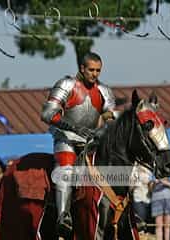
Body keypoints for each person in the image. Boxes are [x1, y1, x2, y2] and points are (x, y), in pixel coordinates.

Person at [40, 52, 117, 235]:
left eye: (98, 70)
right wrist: (72, 128)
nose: (95, 74)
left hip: (92, 141)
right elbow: (47, 114)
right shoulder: (66, 85)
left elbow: (110, 115)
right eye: (91, 70)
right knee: (66, 170)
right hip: (66, 138)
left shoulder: (104, 91)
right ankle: (63, 217)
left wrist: (107, 119)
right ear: (82, 68)